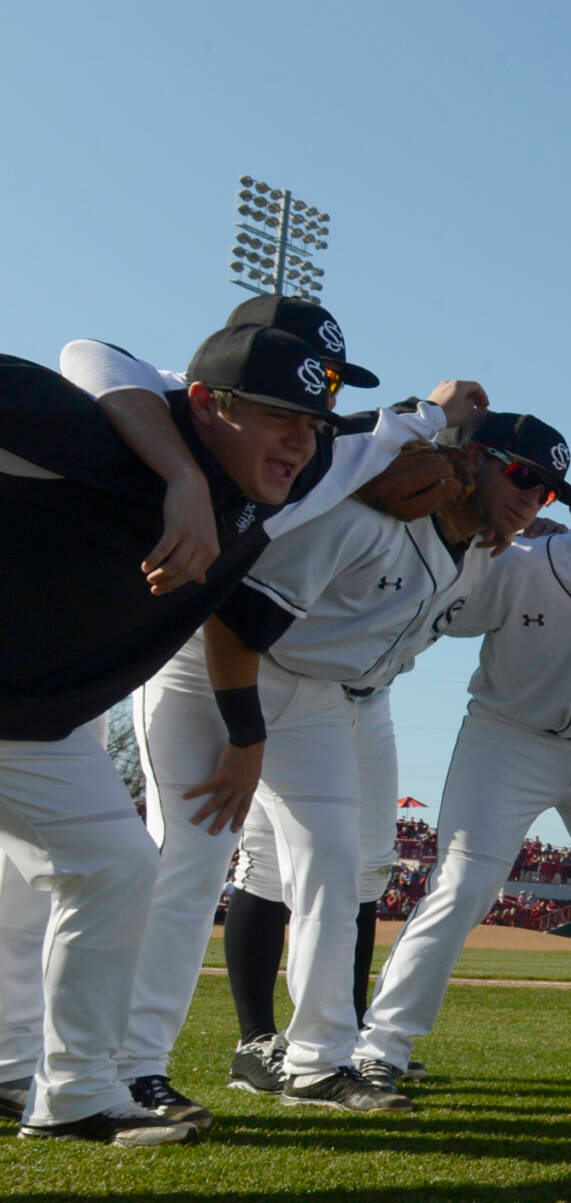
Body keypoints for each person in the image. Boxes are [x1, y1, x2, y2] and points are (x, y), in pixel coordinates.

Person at [0, 318, 464, 1142]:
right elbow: (86, 353)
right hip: (50, 691)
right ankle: (77, 1079)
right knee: (110, 868)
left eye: (316, 415)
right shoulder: (103, 427)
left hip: (45, 713)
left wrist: (441, 409)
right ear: (205, 402)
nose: (304, 436)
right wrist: (178, 471)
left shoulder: (311, 463)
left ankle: (37, 1079)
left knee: (90, 869)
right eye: (282, 410)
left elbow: (384, 429)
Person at [126, 409, 562, 1115]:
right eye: (520, 475)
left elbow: (556, 540)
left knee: (337, 863)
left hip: (319, 694)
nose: (530, 496)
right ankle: (132, 1065)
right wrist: (245, 738)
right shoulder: (367, 521)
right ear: (470, 458)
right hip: (213, 671)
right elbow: (234, 624)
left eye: (545, 490)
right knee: (192, 858)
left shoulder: (484, 547)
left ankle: (319, 1060)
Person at [351, 452, 571, 1091]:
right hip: (507, 739)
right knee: (463, 886)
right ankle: (383, 1047)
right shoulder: (518, 567)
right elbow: (433, 609)